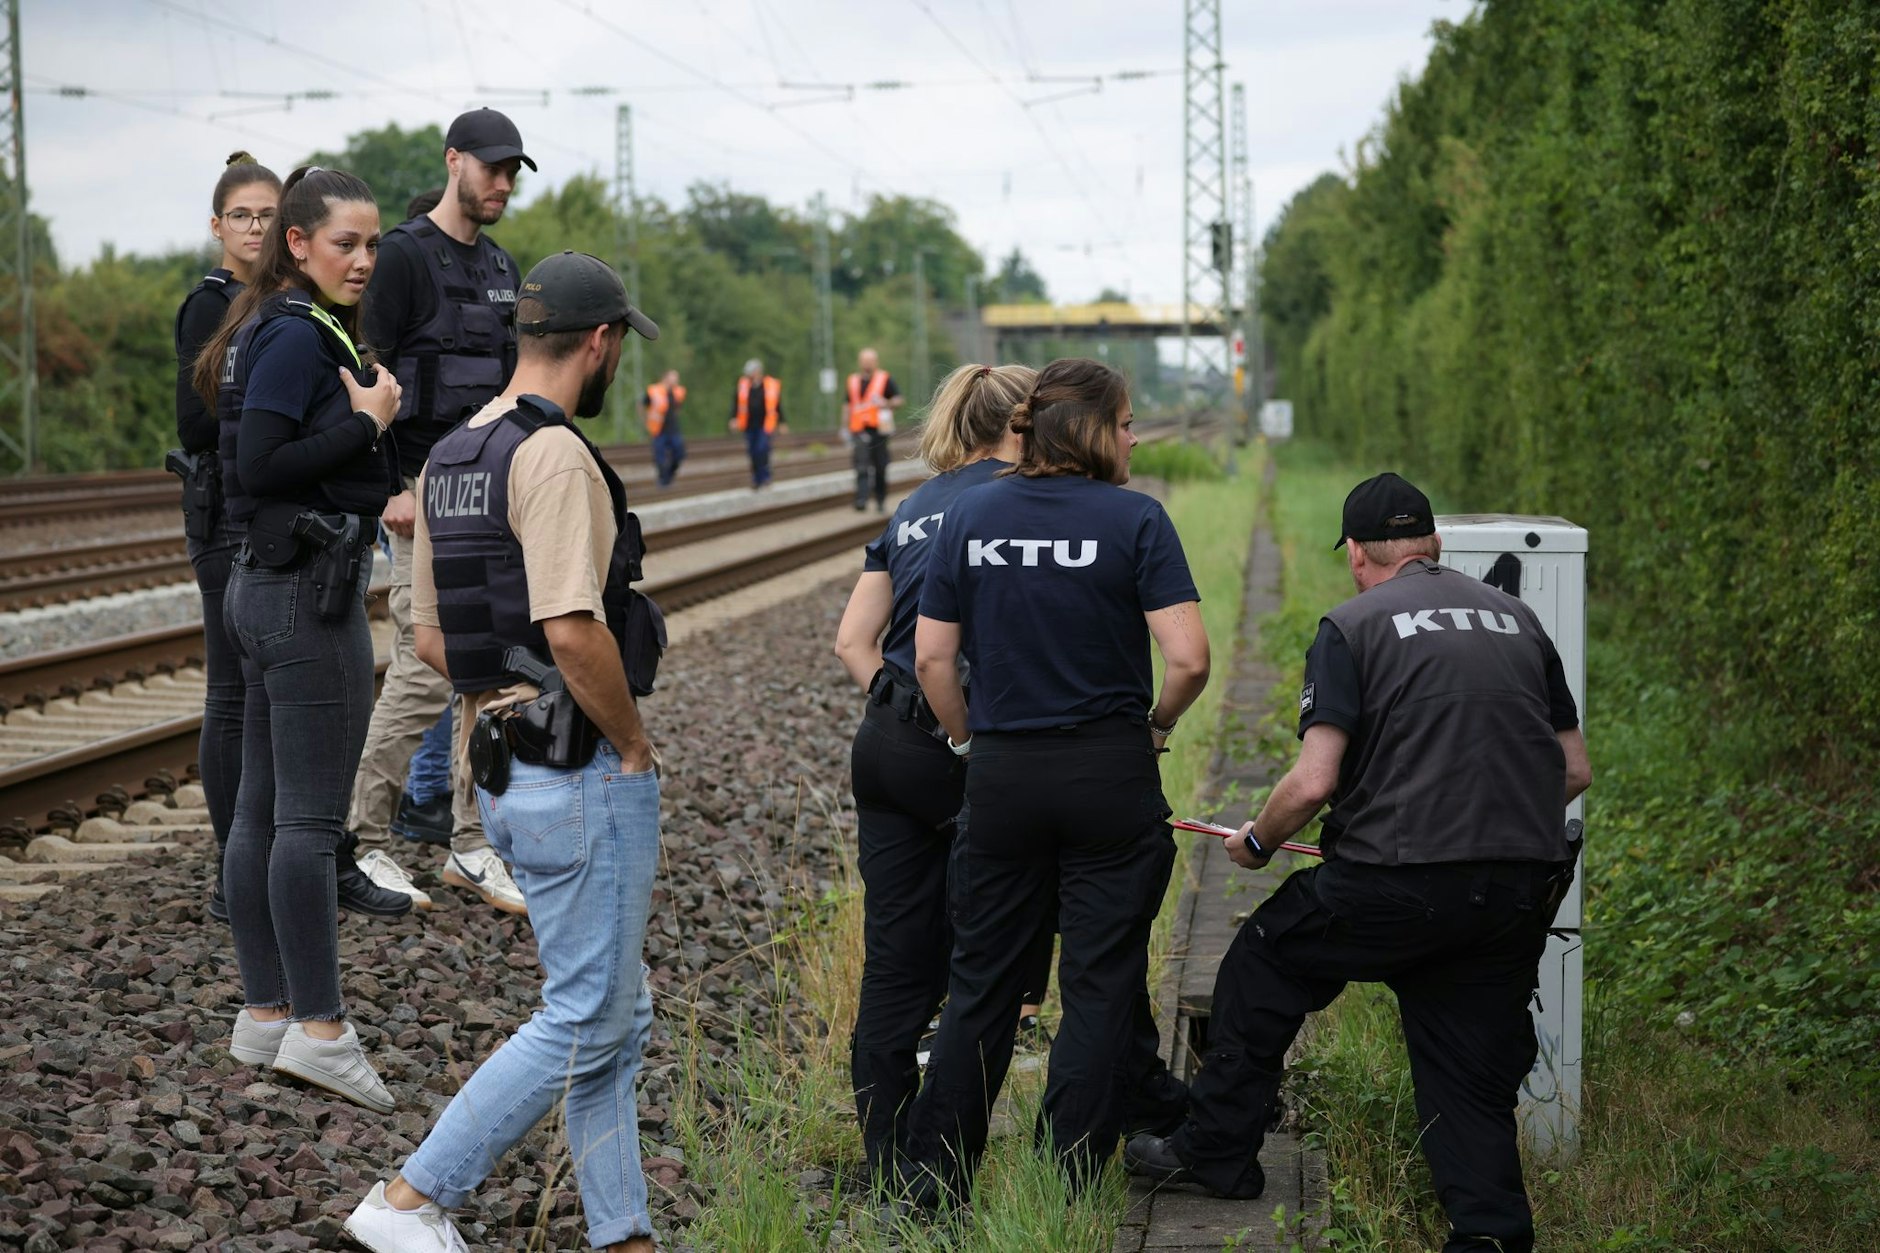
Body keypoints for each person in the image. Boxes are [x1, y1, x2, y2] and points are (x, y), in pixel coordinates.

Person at [1124, 473, 1591, 1253]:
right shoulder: (1519, 619)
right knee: (1466, 1074)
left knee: (1265, 960)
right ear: (1434, 544)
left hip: (1395, 884)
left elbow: (1314, 781)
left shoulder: (1353, 625)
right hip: (1514, 887)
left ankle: (1217, 1150)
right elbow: (1572, 769)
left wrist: (1259, 841)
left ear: (1356, 556)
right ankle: (1490, 1235)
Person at [342, 251, 664, 1253]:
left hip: (504, 766)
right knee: (587, 1012)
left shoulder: (453, 453)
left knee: (616, 1009)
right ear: (601, 341)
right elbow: (573, 627)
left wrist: (504, 690)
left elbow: (428, 635)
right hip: (578, 767)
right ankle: (410, 1197)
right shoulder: (552, 453)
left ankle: (622, 1231)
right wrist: (633, 745)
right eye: (620, 345)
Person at [899, 357, 1211, 1203]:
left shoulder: (970, 515)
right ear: (1091, 429)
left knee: (982, 984)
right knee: (1100, 983)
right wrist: (1155, 727)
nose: (1135, 438)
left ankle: (935, 1182)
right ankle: (1064, 1181)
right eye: (1127, 423)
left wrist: (970, 739)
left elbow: (932, 658)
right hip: (1109, 772)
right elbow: (1188, 659)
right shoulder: (1136, 519)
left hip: (1005, 774)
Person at [193, 165, 401, 1113]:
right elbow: (260, 464)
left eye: (372, 244)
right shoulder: (292, 335)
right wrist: (364, 424)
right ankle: (321, 1030)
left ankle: (265, 1012)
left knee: (262, 813)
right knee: (308, 825)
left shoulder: (278, 324)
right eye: (345, 243)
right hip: (303, 599)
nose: (362, 260)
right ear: (298, 243)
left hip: (265, 587)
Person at [833, 361, 1033, 1183]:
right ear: (1020, 425)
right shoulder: (1015, 502)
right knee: (984, 959)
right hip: (968, 742)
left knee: (893, 959)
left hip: (887, 745)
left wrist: (902, 708)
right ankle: (938, 1155)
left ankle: (884, 1153)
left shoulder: (914, 505)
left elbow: (854, 641)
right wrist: (960, 735)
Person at [345, 108, 534, 917]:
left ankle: (471, 841)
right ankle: (359, 837)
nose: (503, 184)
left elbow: (510, 380)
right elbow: (366, 370)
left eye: (512, 172)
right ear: (453, 161)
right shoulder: (402, 257)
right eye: (491, 168)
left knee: (488, 668)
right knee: (423, 671)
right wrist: (388, 484)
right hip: (419, 485)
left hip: (485, 486)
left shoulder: (500, 266)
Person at [171, 150, 281, 921]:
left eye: (268, 215)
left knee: (269, 690)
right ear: (218, 225)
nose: (254, 228)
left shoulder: (284, 302)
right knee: (232, 691)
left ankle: (270, 853)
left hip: (265, 510)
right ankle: (230, 869)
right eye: (241, 215)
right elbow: (194, 422)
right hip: (221, 512)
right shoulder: (210, 306)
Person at [845, 347, 904, 512]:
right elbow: (847, 404)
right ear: (860, 362)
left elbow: (899, 399)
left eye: (870, 360)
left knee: (880, 466)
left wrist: (886, 403)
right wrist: (844, 427)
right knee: (861, 465)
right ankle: (861, 499)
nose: (867, 364)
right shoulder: (853, 381)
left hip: (879, 430)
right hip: (859, 429)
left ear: (876, 362)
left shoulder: (884, 379)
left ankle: (880, 500)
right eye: (864, 360)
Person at [729, 357, 785, 488]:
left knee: (762, 449)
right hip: (749, 425)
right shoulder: (743, 385)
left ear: (758, 371)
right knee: (752, 452)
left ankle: (765, 476)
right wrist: (733, 418)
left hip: (765, 425)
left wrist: (782, 421)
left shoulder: (769, 385)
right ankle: (757, 479)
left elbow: (777, 405)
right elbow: (736, 403)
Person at [643, 367, 687, 487]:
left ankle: (670, 474)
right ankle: (663, 480)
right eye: (674, 377)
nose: (676, 380)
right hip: (659, 429)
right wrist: (646, 421)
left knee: (679, 453)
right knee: (660, 457)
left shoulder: (677, 392)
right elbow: (643, 405)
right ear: (666, 378)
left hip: (673, 429)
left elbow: (677, 407)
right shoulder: (654, 391)